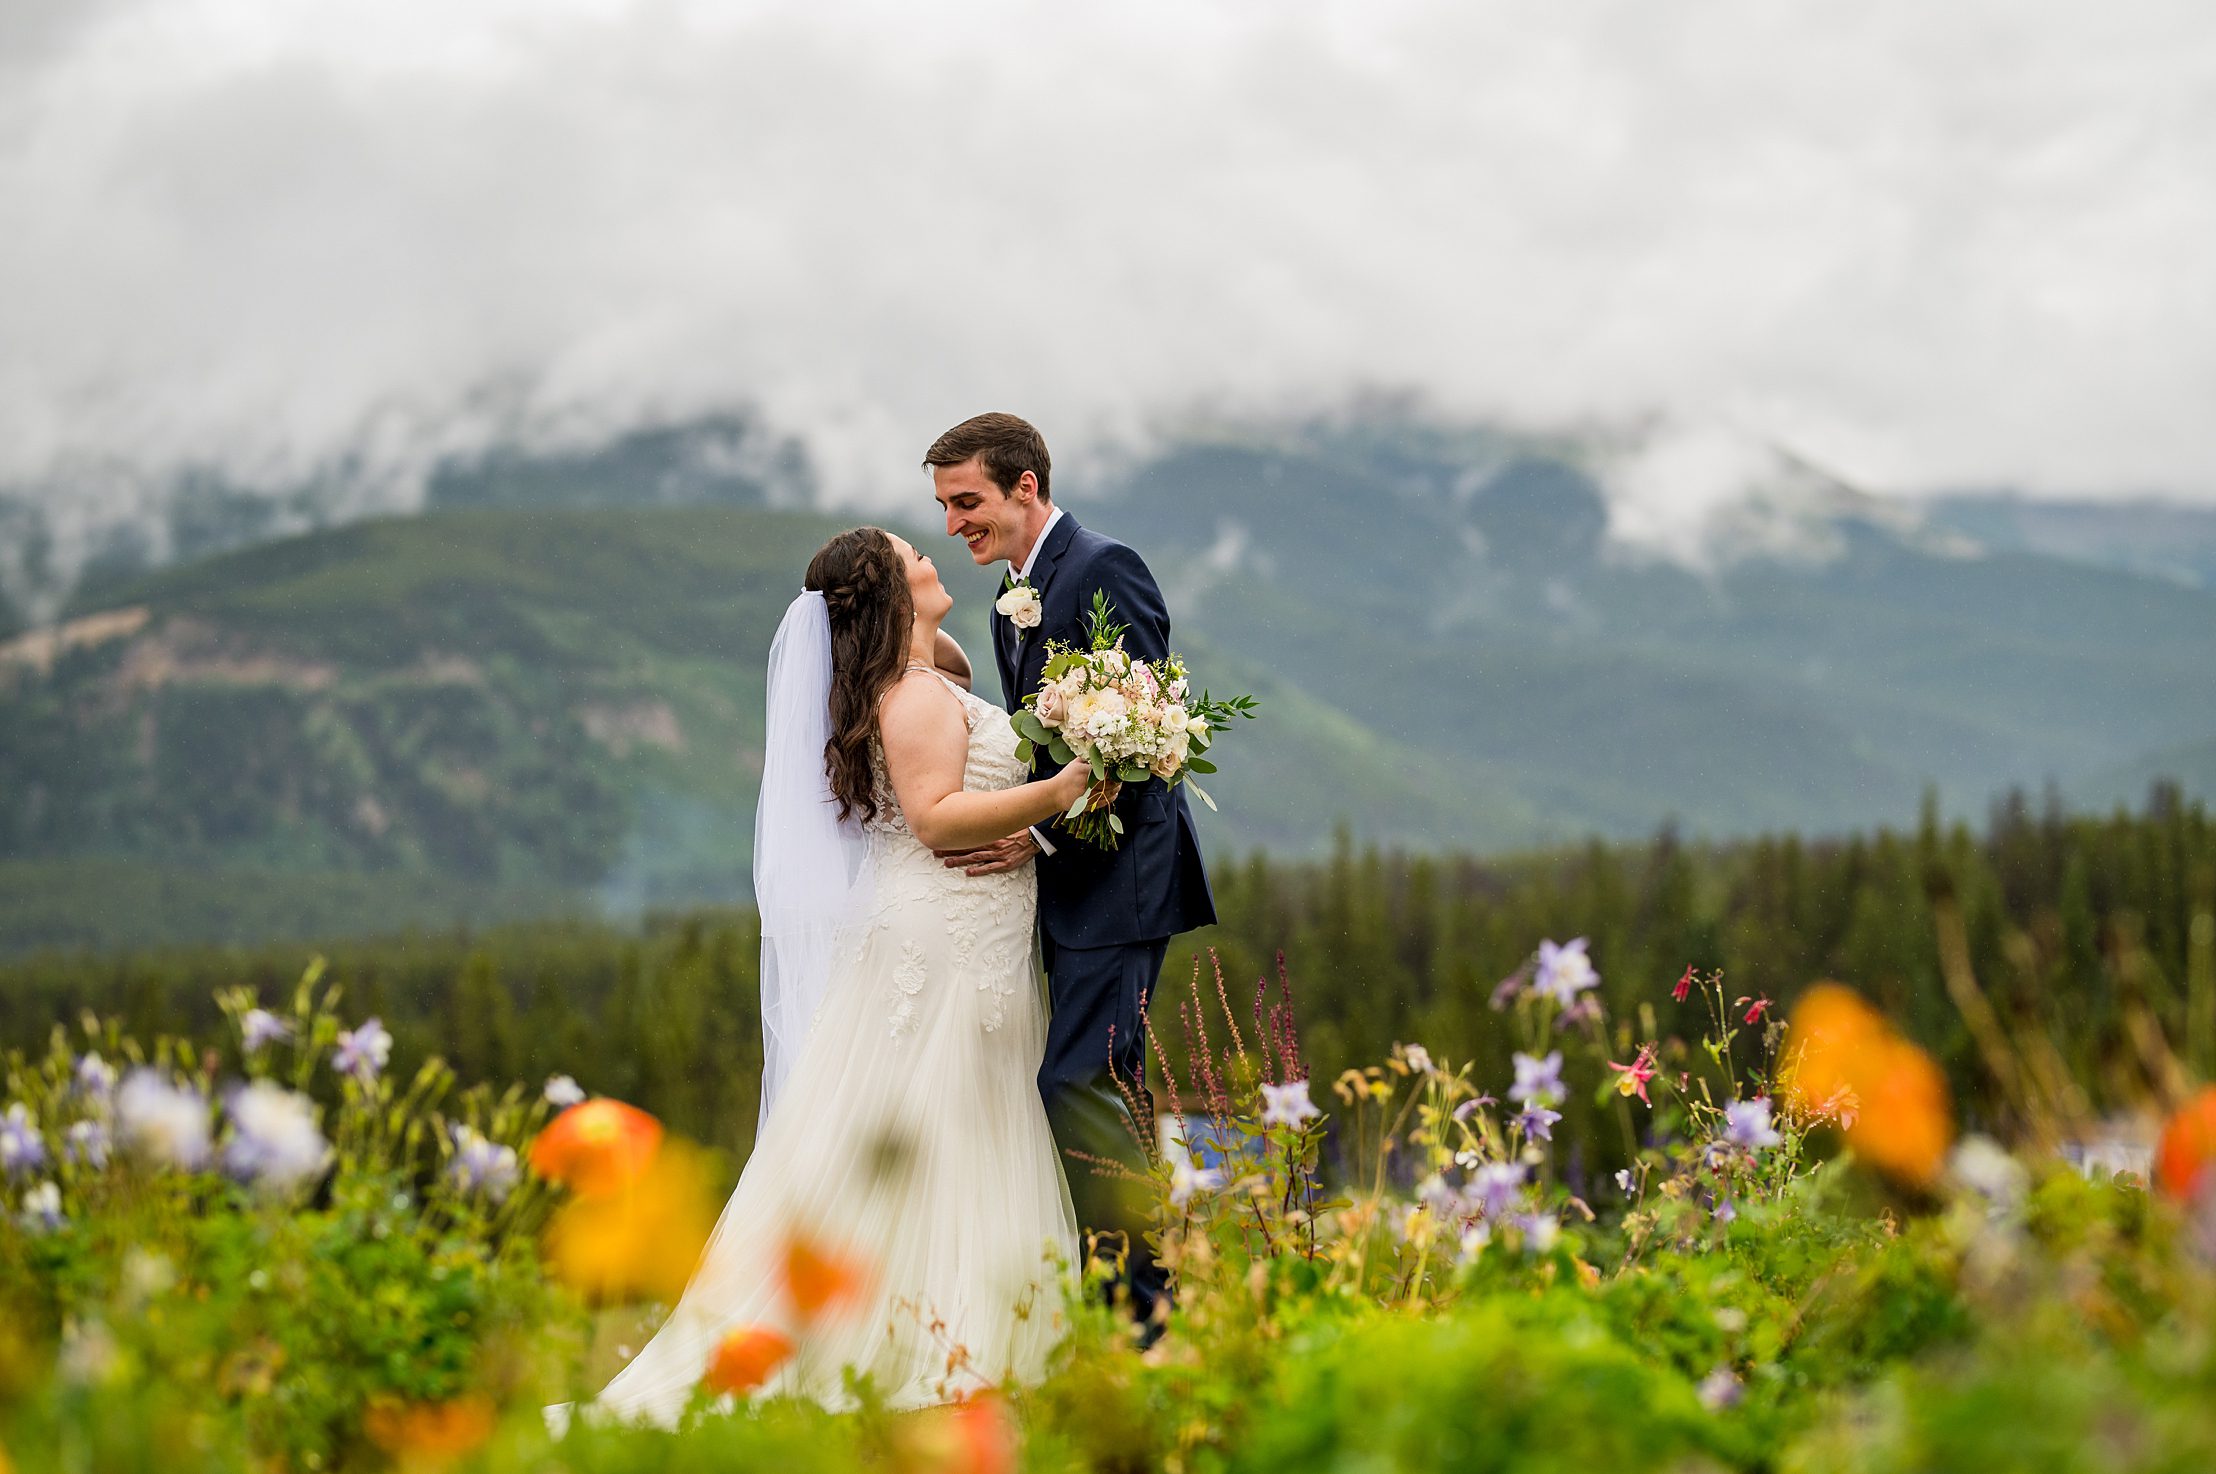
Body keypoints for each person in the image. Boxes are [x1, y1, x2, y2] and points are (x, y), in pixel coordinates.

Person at [571, 526, 1087, 1425]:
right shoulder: (918, 697)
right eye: (913, 555)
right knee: (941, 1124)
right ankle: (935, 1339)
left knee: (949, 1122)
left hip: (959, 932)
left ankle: (953, 1328)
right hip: (944, 938)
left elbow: (944, 655)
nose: (933, 559)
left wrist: (918, 623)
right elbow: (934, 817)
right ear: (891, 591)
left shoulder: (919, 676)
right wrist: (1063, 787)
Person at [927, 412, 1216, 1330]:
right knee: (1111, 1084)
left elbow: (1139, 741)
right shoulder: (1011, 595)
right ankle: (1148, 1304)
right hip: (1075, 891)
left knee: (1075, 1084)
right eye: (942, 507)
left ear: (1026, 487)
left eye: (967, 501)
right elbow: (1050, 747)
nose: (953, 524)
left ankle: (1141, 1310)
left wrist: (1042, 837)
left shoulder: (1102, 569)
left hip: (1122, 881)